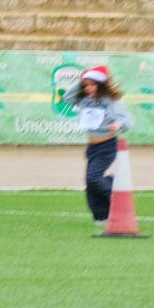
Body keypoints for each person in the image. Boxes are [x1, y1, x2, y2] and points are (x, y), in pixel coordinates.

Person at [62, 65, 132, 225]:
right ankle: (102, 216)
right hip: (92, 148)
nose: (88, 88)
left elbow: (128, 121)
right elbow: (67, 97)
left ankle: (117, 191)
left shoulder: (111, 101)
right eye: (86, 85)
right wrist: (81, 81)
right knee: (90, 183)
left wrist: (118, 125)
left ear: (101, 84)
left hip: (107, 146)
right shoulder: (84, 99)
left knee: (93, 178)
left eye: (92, 84)